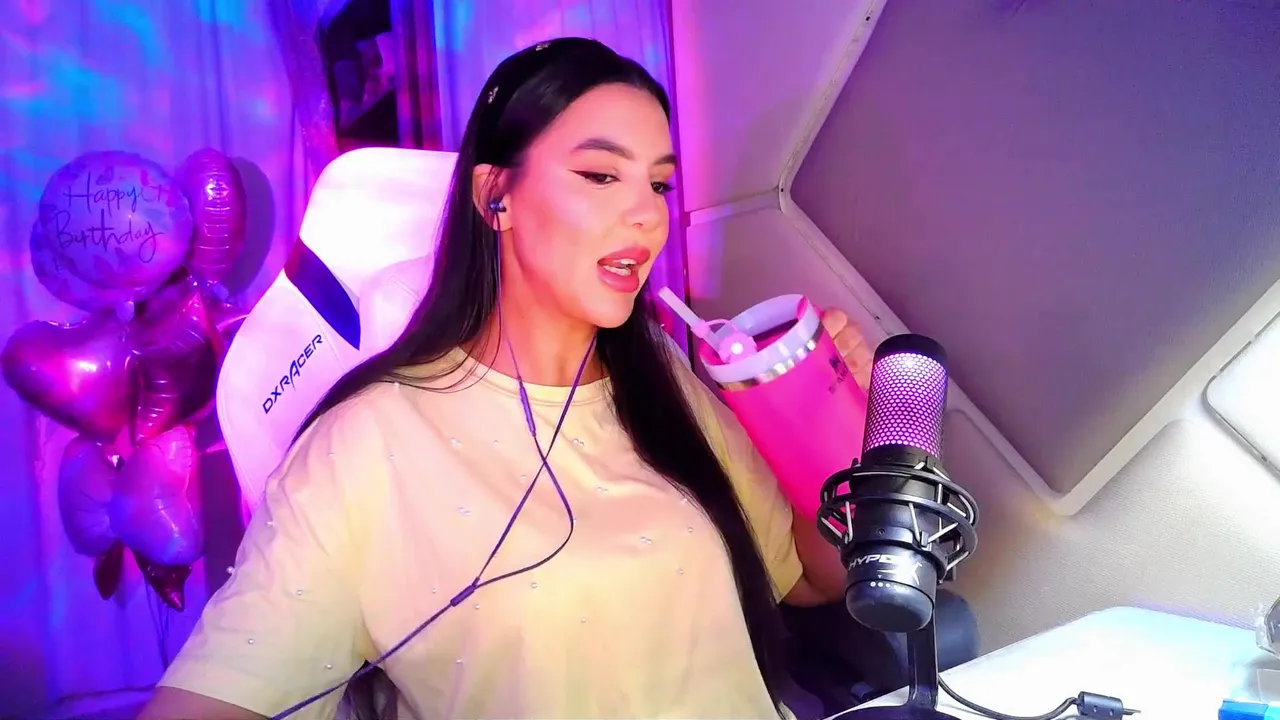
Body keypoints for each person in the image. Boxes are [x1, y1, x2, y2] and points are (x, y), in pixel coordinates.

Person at [139, 37, 873, 720]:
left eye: (657, 183)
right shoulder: (362, 448)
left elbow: (812, 578)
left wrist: (836, 419)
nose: (648, 217)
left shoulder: (664, 381)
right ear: (496, 196)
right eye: (601, 175)